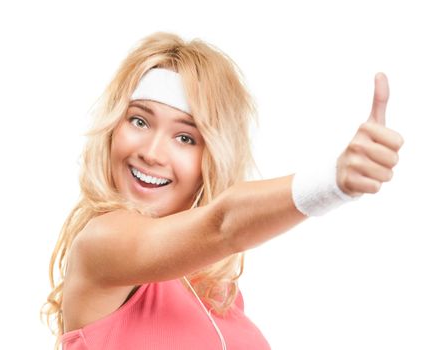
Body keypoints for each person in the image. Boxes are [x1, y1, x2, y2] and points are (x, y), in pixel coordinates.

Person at [41, 31, 404, 350]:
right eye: (139, 120)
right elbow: (222, 225)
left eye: (185, 138)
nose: (151, 153)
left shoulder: (216, 290)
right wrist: (333, 182)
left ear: (211, 157)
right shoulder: (101, 244)